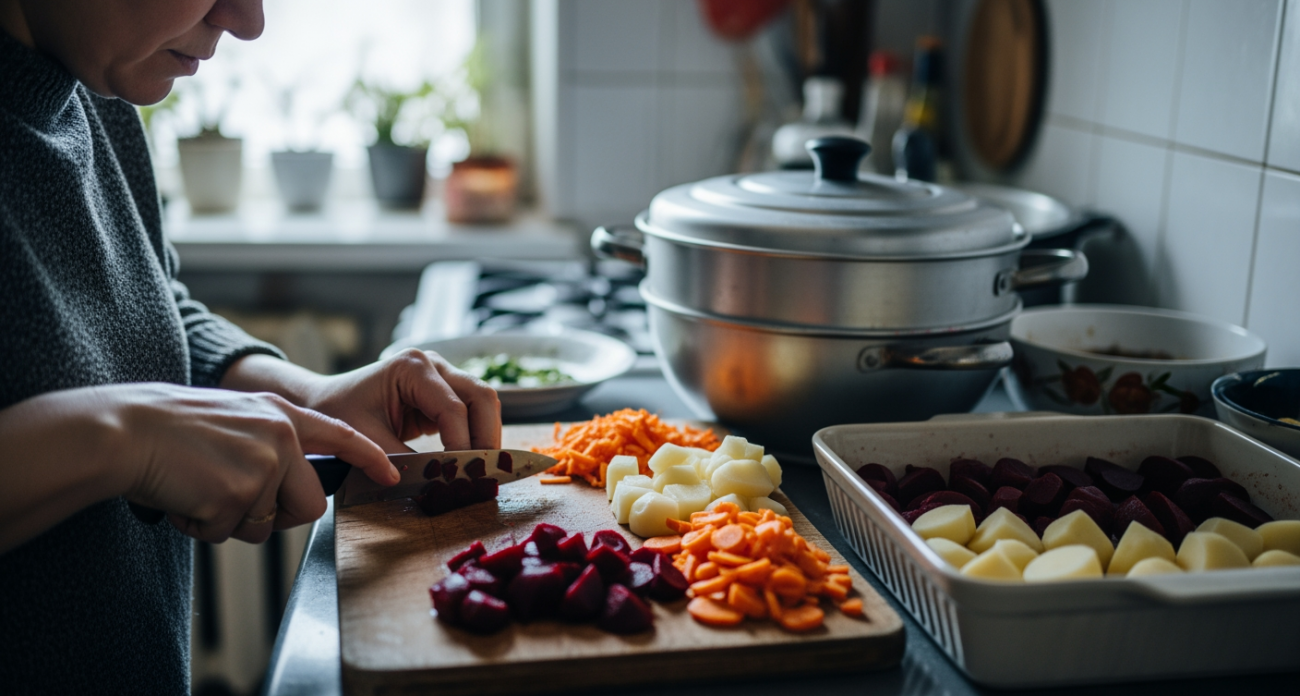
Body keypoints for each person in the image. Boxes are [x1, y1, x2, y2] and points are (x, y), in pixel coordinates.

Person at [0, 1, 501, 693]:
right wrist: (124, 439)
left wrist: (308, 393)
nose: (247, 20)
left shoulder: (97, 97)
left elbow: (151, 302)